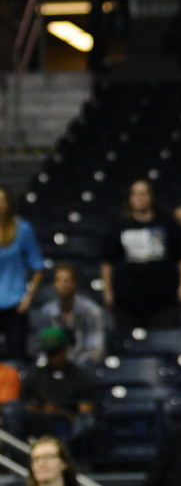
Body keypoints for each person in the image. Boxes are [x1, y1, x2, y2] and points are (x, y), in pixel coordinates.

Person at [99, 179, 181, 331]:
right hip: (126, 301)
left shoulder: (168, 225)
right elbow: (107, 262)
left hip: (164, 301)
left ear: (151, 197)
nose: (140, 198)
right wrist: (107, 290)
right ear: (130, 199)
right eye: (135, 194)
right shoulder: (118, 227)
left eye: (143, 194)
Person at [19, 327, 97, 448]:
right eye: (49, 353)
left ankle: (63, 451)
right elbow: (27, 407)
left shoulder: (81, 376)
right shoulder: (34, 376)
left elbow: (85, 413)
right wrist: (41, 408)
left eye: (56, 352)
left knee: (87, 423)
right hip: (41, 423)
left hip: (69, 424)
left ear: (65, 349)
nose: (53, 357)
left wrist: (58, 411)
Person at [0, 186, 45, 361]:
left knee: (15, 359)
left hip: (15, 303)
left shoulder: (23, 229)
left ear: (9, 203)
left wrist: (28, 298)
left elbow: (38, 267)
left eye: (3, 200)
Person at [37, 263, 105, 370]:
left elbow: (95, 352)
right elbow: (42, 347)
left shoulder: (92, 311)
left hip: (83, 369)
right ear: (54, 284)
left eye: (66, 281)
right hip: (53, 366)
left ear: (75, 284)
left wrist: (71, 369)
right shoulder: (47, 311)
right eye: (58, 281)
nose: (62, 286)